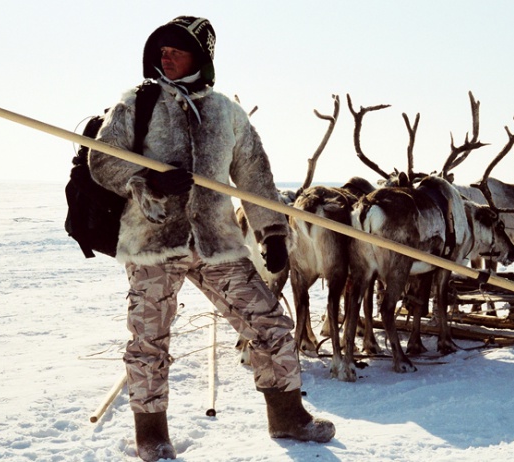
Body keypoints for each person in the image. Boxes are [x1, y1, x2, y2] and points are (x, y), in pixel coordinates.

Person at [89, 16, 335, 461]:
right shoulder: (135, 104)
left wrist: (272, 231)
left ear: (200, 58)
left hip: (217, 244)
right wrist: (147, 180)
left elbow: (254, 176)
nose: (165, 55)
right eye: (161, 48)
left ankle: (287, 416)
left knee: (270, 323)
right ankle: (152, 436)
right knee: (149, 343)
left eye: (176, 49)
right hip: (153, 244)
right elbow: (101, 164)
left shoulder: (226, 112)